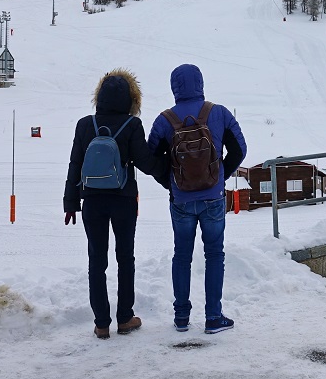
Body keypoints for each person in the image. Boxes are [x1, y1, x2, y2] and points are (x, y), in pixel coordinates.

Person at [147, 64, 247, 335]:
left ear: (174, 87)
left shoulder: (164, 120)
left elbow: (150, 160)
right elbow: (240, 149)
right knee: (214, 254)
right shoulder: (219, 113)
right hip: (213, 198)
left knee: (182, 255)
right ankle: (213, 317)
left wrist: (171, 182)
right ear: (200, 82)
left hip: (180, 200)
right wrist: (220, 177)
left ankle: (181, 317)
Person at [63, 69, 155, 340]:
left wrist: (70, 202)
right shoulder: (132, 125)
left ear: (99, 97)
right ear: (131, 99)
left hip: (92, 200)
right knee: (125, 258)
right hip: (124, 200)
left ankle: (102, 323)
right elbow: (146, 163)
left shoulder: (84, 124)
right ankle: (125, 317)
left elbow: (75, 164)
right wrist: (171, 176)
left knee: (96, 261)